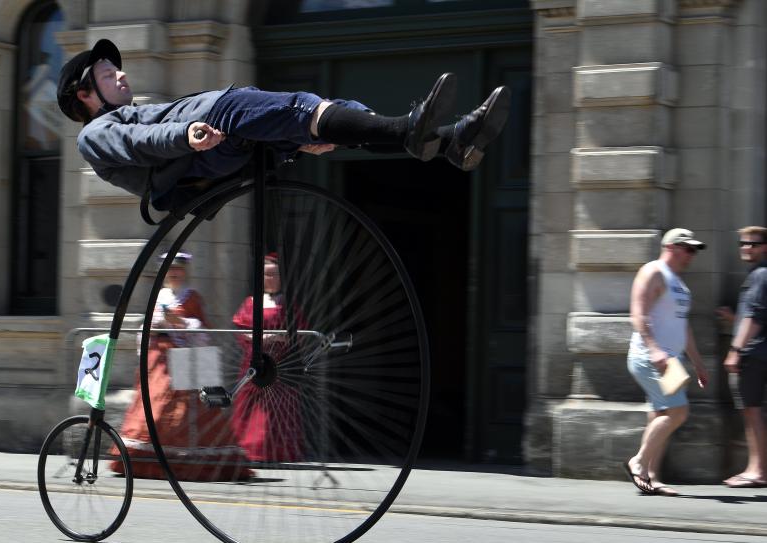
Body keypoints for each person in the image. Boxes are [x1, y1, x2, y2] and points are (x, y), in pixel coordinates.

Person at [56, 39, 510, 210]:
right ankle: (413, 129)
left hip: (220, 137)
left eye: (117, 68)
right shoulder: (95, 135)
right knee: (299, 108)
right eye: (106, 73)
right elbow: (141, 142)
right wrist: (184, 134)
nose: (120, 74)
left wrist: (288, 146)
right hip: (212, 130)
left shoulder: (130, 111)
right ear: (84, 95)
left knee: (329, 111)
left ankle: (449, 140)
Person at [111, 252, 252, 480]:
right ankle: (147, 458)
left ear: (185, 271)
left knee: (187, 409)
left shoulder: (192, 297)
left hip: (186, 358)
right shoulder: (157, 297)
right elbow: (144, 329)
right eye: (169, 270)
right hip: (158, 359)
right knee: (153, 406)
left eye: (178, 269)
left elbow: (204, 332)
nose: (174, 273)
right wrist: (154, 326)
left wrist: (183, 323)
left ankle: (190, 460)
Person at [624, 229, 709, 496]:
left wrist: (698, 364)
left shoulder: (679, 284)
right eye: (689, 249)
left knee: (661, 415)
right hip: (650, 357)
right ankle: (638, 462)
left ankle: (651, 477)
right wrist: (654, 349)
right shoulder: (653, 272)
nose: (692, 255)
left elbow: (684, 328)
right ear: (671, 247)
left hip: (670, 361)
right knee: (678, 411)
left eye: (694, 251)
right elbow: (638, 314)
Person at [231, 253, 304, 462]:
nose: (271, 279)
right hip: (255, 361)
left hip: (280, 363)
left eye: (274, 275)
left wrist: (282, 338)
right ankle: (250, 451)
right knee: (250, 408)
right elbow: (239, 329)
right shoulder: (251, 302)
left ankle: (276, 452)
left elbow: (300, 332)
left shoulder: (288, 304)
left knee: (279, 410)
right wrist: (258, 339)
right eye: (267, 275)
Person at [718, 226, 767, 488]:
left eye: (754, 244)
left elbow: (756, 316)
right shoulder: (759, 275)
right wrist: (733, 319)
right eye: (743, 243)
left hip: (753, 354)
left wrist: (736, 350)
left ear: (765, 248)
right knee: (754, 411)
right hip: (758, 350)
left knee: (752, 411)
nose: (747, 248)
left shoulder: (760, 275)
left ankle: (757, 471)